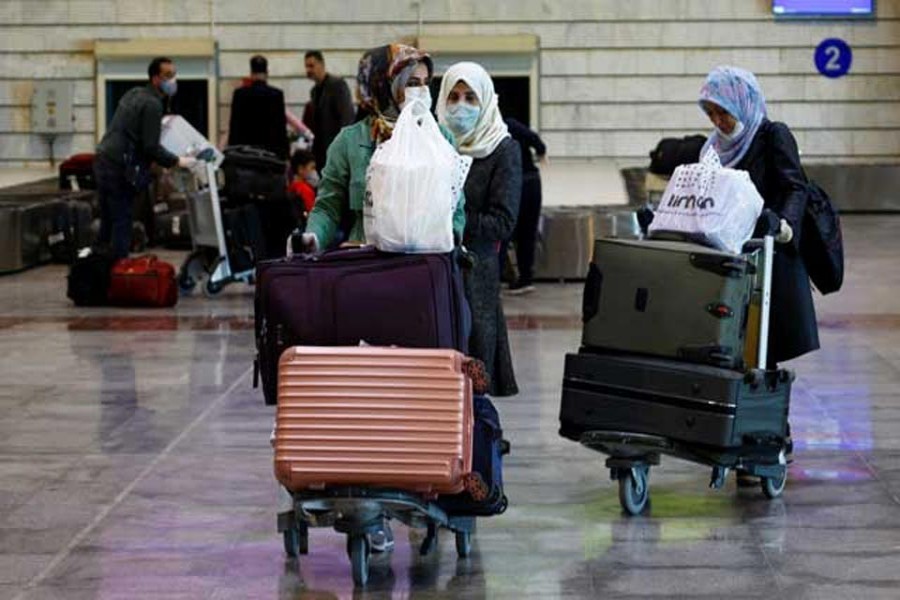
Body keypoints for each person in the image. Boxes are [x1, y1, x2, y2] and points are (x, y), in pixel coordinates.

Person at [698, 66, 819, 482]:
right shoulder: (712, 149)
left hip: (771, 256)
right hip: (733, 262)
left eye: (724, 113)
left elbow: (795, 185)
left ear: (743, 105)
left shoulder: (772, 135)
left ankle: (771, 436)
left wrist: (785, 224)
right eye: (712, 114)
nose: (718, 122)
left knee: (763, 352)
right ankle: (747, 434)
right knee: (735, 350)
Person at [294, 44, 465, 253]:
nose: (422, 91)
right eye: (412, 83)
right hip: (368, 260)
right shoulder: (351, 141)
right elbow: (328, 206)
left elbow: (456, 207)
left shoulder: (441, 139)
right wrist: (314, 236)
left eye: (426, 83)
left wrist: (451, 236)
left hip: (427, 260)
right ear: (383, 85)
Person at [437, 62, 521, 397]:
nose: (460, 106)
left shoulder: (503, 149)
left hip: (476, 278)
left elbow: (503, 222)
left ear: (485, 101)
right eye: (453, 96)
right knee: (439, 379)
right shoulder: (435, 144)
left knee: (474, 384)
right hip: (435, 273)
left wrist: (451, 216)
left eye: (471, 98)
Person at [95, 56, 196, 259]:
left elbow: (134, 130)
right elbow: (150, 147)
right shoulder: (152, 104)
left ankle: (99, 269)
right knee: (122, 222)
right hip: (119, 168)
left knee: (107, 222)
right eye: (168, 75)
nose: (173, 80)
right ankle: (118, 269)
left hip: (102, 160)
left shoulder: (134, 93)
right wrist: (177, 161)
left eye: (174, 75)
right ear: (155, 78)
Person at [501, 117, 547, 295]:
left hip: (518, 183)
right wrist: (541, 152)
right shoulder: (511, 125)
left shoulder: (502, 127)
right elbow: (534, 139)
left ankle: (500, 277)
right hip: (531, 181)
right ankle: (525, 278)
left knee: (506, 232)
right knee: (527, 233)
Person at [227, 55, 289, 159]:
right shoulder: (276, 94)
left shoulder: (240, 94)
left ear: (251, 73)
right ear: (267, 73)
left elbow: (234, 127)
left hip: (246, 155)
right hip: (270, 155)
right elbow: (281, 128)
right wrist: (285, 154)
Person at [305, 50, 355, 172]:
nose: (308, 70)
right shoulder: (314, 91)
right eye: (306, 66)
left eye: (311, 66)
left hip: (335, 149)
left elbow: (346, 117)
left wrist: (342, 149)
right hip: (320, 152)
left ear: (321, 64)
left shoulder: (337, 85)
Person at [287, 149, 317, 216]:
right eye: (312, 168)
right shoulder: (305, 190)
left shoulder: (291, 186)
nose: (314, 172)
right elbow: (312, 215)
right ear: (300, 169)